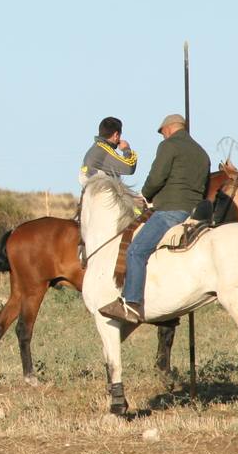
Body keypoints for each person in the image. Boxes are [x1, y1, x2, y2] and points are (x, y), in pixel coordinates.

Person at [99, 114, 209, 324]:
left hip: (170, 211)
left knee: (136, 250)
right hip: (195, 213)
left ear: (169, 128)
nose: (162, 136)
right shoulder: (201, 152)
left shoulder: (169, 146)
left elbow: (157, 177)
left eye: (162, 132)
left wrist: (146, 194)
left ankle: (131, 304)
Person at [80, 116, 137, 186]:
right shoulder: (103, 150)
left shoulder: (96, 148)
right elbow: (129, 167)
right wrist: (126, 149)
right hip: (100, 192)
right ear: (116, 135)